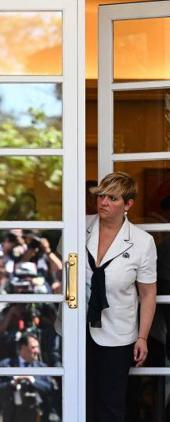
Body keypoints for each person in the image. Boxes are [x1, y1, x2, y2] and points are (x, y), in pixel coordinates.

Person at [85, 171, 157, 422]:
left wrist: (142, 337)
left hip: (118, 333)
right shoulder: (78, 227)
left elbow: (147, 294)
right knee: (79, 399)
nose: (103, 202)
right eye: (101, 196)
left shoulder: (142, 241)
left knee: (111, 404)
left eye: (112, 198)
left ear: (128, 204)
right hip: (76, 329)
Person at [0, 333, 57, 422]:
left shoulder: (42, 368)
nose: (37, 351)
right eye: (33, 347)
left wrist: (32, 380)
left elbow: (50, 388)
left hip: (37, 415)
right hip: (12, 415)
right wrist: (13, 382)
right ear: (22, 347)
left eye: (38, 347)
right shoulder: (6, 365)